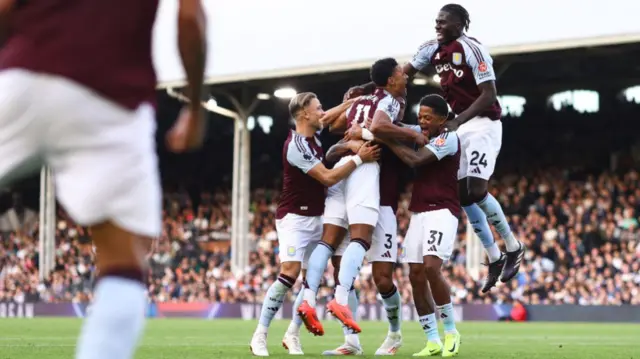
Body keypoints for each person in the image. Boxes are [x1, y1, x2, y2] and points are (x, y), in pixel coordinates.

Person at [0, 1, 207, 359]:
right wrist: (194, 103)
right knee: (123, 259)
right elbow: (190, 17)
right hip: (112, 94)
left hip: (24, 72)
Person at [345, 3, 524, 293]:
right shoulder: (431, 48)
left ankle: (514, 247)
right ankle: (495, 256)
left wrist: (459, 121)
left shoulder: (473, 49)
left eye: (444, 22)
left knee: (476, 190)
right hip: (458, 124)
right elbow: (402, 74)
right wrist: (368, 89)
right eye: (436, 21)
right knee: (464, 196)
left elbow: (489, 93)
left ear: (460, 23)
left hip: (482, 124)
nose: (438, 25)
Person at [297, 58, 424, 354]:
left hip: (384, 204)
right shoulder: (384, 104)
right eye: (401, 77)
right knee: (342, 265)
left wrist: (367, 133)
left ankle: (394, 334)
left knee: (382, 279)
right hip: (356, 185)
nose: (405, 81)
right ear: (391, 81)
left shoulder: (391, 121)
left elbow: (375, 131)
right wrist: (354, 132)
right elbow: (336, 137)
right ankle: (350, 340)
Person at [249, 92, 381, 357]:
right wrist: (358, 158)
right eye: (318, 108)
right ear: (304, 115)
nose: (324, 113)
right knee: (289, 273)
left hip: (318, 216)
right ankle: (260, 335)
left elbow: (328, 115)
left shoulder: (314, 135)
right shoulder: (296, 146)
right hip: (295, 218)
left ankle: (292, 334)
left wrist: (355, 101)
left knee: (313, 279)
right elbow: (328, 177)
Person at [379, 94, 462, 357]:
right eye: (420, 116)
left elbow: (415, 160)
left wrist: (388, 140)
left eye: (428, 117)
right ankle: (432, 340)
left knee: (431, 268)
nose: (422, 121)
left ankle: (451, 331)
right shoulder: (419, 131)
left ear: (442, 118)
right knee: (415, 274)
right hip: (419, 212)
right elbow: (394, 127)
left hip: (442, 210)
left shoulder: (449, 139)